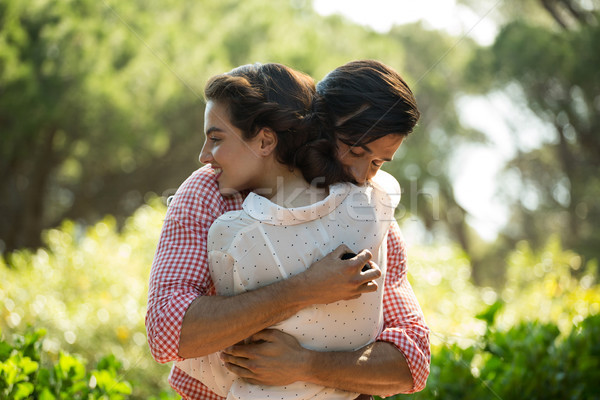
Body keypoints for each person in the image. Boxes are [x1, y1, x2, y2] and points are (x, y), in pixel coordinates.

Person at [146, 60, 430, 400]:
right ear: (318, 124)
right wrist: (305, 289)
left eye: (376, 163)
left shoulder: (367, 210)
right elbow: (167, 332)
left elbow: (412, 360)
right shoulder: (209, 194)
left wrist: (306, 365)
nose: (358, 174)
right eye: (353, 150)